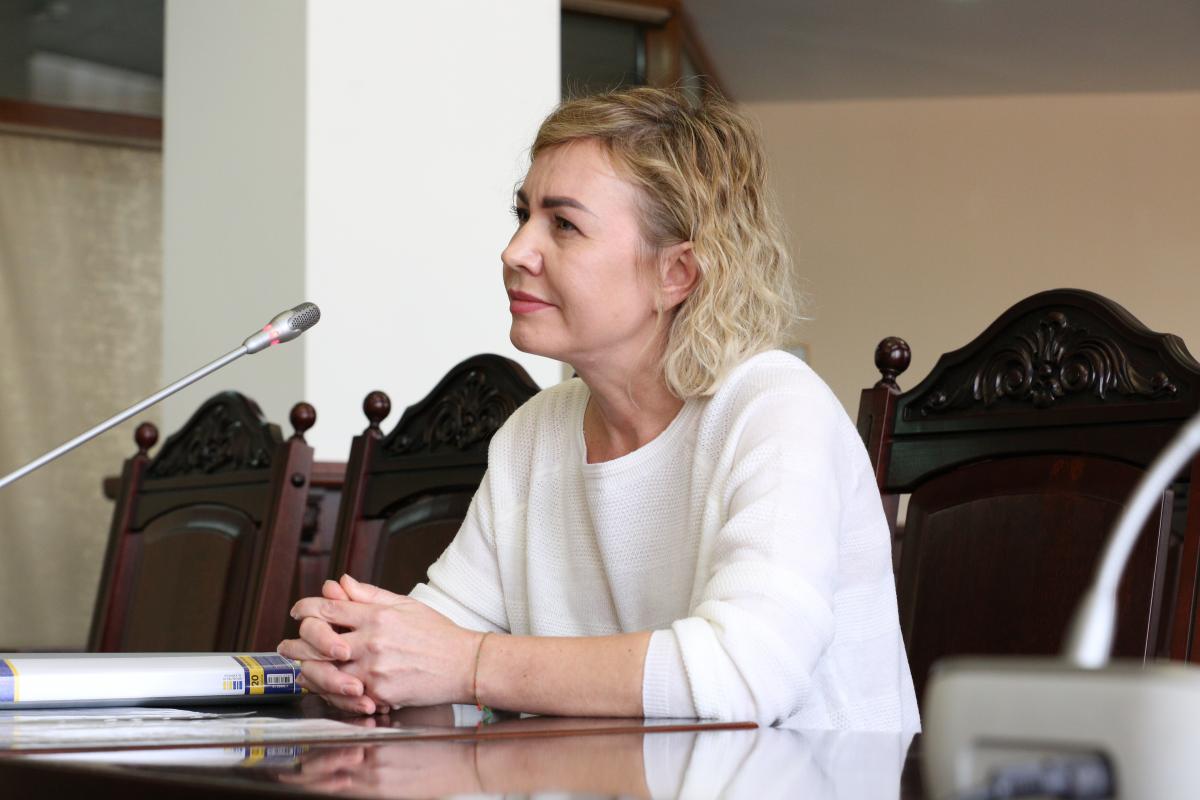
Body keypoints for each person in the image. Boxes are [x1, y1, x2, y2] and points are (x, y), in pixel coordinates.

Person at [279, 86, 919, 730]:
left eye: (563, 224)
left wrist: (469, 663)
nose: (514, 251)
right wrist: (355, 656)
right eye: (522, 214)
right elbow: (431, 644)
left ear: (677, 273)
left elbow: (746, 675)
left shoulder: (775, 408)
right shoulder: (534, 433)